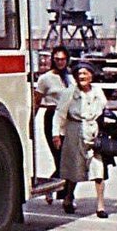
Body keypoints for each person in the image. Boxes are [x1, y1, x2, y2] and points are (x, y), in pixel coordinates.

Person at [54, 62, 110, 217]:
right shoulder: (69, 92)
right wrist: (56, 134)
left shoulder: (98, 91)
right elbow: (59, 114)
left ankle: (100, 206)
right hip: (74, 131)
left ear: (91, 75)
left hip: (94, 132)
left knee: (98, 169)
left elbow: (105, 109)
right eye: (79, 74)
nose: (82, 77)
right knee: (74, 169)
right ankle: (68, 197)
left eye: (85, 73)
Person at [34, 45, 72, 194]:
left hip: (68, 120)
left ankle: (59, 188)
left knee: (69, 158)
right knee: (60, 157)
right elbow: (36, 101)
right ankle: (61, 191)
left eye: (63, 59)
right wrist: (31, 122)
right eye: (57, 59)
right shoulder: (45, 79)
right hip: (51, 117)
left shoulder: (70, 78)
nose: (60, 62)